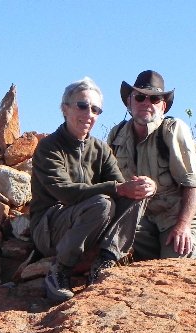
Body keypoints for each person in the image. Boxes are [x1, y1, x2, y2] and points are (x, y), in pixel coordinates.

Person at [30, 76, 156, 303]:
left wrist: (145, 187)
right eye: (82, 106)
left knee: (138, 192)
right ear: (65, 108)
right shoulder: (49, 148)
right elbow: (65, 192)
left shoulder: (100, 149)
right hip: (50, 227)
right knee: (102, 203)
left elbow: (121, 188)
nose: (89, 114)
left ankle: (105, 261)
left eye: (96, 110)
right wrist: (118, 188)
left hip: (92, 221)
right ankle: (59, 271)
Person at [107, 70, 196, 261]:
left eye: (154, 99)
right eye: (140, 97)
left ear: (163, 106)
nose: (146, 103)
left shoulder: (173, 129)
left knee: (173, 258)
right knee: (111, 243)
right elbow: (109, 183)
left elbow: (193, 185)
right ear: (129, 102)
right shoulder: (117, 135)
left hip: (178, 215)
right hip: (144, 220)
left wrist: (183, 226)